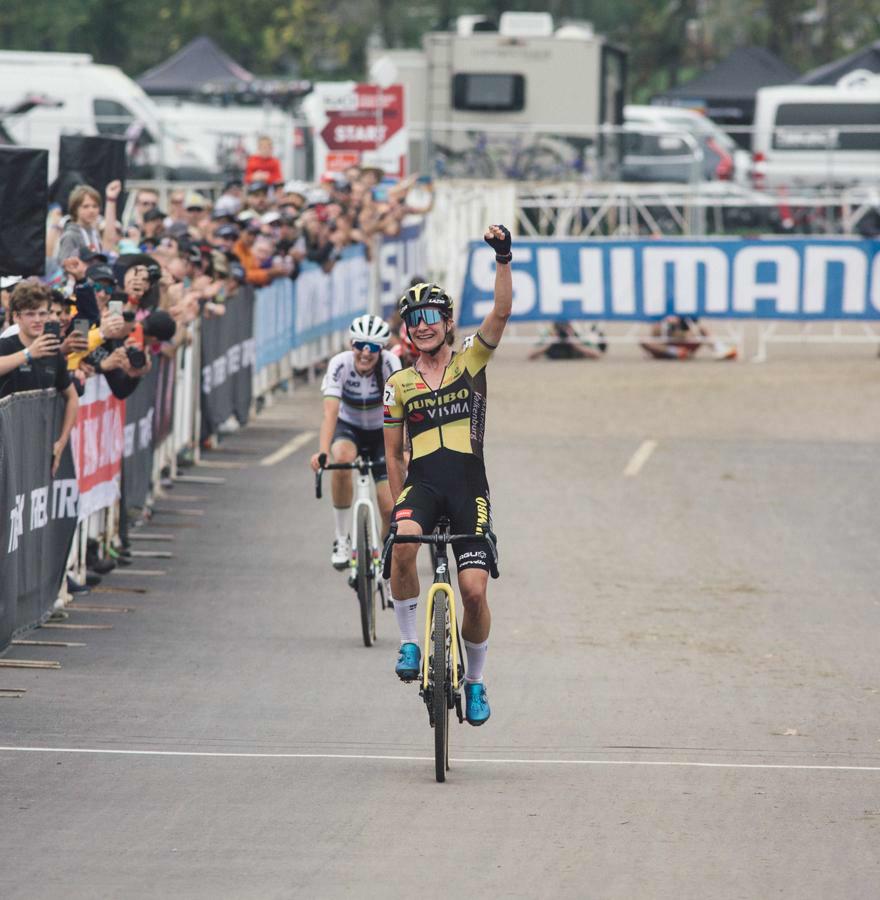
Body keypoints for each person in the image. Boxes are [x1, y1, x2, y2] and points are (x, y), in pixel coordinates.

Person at [383, 224, 512, 726]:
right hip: (424, 484)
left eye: (432, 315)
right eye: (414, 318)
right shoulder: (398, 383)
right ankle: (410, 643)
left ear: (447, 321)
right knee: (402, 545)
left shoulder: (470, 362)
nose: (423, 324)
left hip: (468, 487)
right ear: (407, 329)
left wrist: (503, 257)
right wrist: (397, 507)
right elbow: (394, 456)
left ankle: (476, 681)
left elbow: (500, 312)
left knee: (474, 591)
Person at [310, 315, 401, 572]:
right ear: (351, 344)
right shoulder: (340, 365)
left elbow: (402, 410)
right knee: (340, 458)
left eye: (372, 347)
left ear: (380, 349)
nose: (364, 352)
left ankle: (388, 557)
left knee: (389, 505)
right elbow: (330, 413)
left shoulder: (390, 365)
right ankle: (341, 538)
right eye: (359, 344)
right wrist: (323, 452)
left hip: (382, 432)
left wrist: (404, 449)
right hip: (348, 427)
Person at [0, 281, 78, 474]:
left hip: (37, 448)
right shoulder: (6, 345)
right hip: (6, 449)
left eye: (43, 313)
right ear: (16, 316)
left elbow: (72, 397)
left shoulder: (53, 352)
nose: (38, 319)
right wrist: (28, 354)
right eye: (30, 313)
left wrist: (61, 442)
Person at [640, 314, 737, 361]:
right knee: (644, 339)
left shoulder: (686, 306)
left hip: (684, 339)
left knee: (702, 329)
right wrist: (666, 321)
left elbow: (695, 321)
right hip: (666, 345)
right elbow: (654, 333)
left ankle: (720, 349)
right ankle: (675, 352)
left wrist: (680, 319)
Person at [528, 320, 607, 360]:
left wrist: (575, 343)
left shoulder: (577, 336)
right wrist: (551, 342)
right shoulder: (549, 337)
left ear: (571, 329)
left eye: (566, 329)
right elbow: (530, 355)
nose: (563, 333)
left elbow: (597, 355)